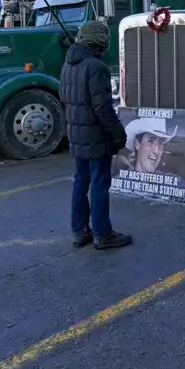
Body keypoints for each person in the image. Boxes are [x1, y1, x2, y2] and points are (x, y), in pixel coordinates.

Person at [58, 21, 132, 251]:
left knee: (80, 182)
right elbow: (103, 108)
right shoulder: (95, 67)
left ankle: (79, 231)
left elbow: (64, 97)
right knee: (100, 183)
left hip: (76, 135)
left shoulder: (68, 65)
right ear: (100, 41)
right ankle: (103, 233)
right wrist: (118, 133)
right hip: (96, 136)